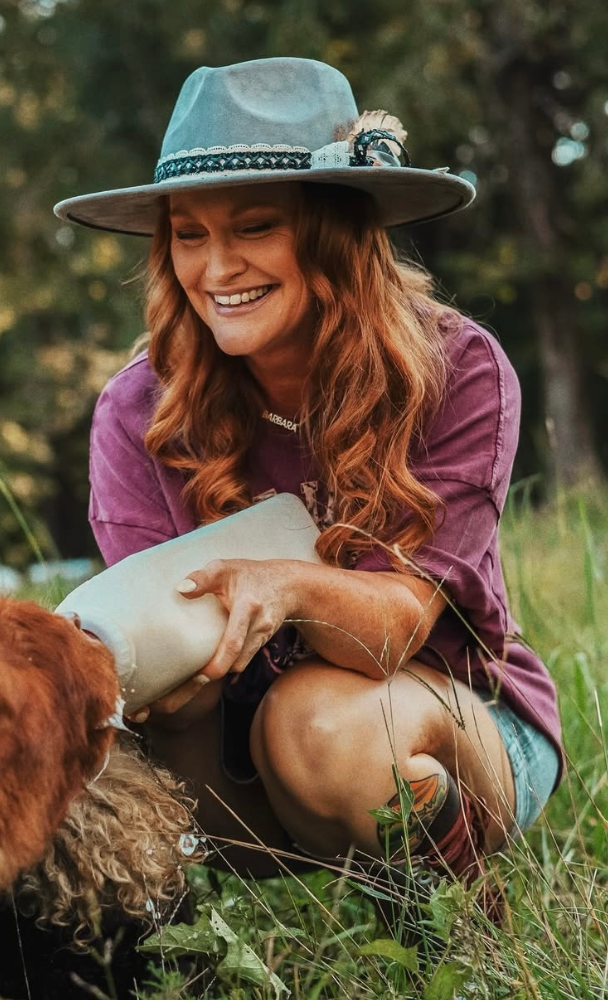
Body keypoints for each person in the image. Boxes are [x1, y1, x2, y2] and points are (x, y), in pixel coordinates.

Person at [54, 57, 563, 896]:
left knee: (315, 722)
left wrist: (285, 585)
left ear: (334, 231)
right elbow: (156, 654)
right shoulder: (135, 411)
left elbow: (393, 634)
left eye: (255, 227)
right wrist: (155, 679)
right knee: (56, 761)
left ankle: (452, 917)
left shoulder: (455, 369)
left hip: (451, 721)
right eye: (189, 235)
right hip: (234, 762)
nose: (217, 269)